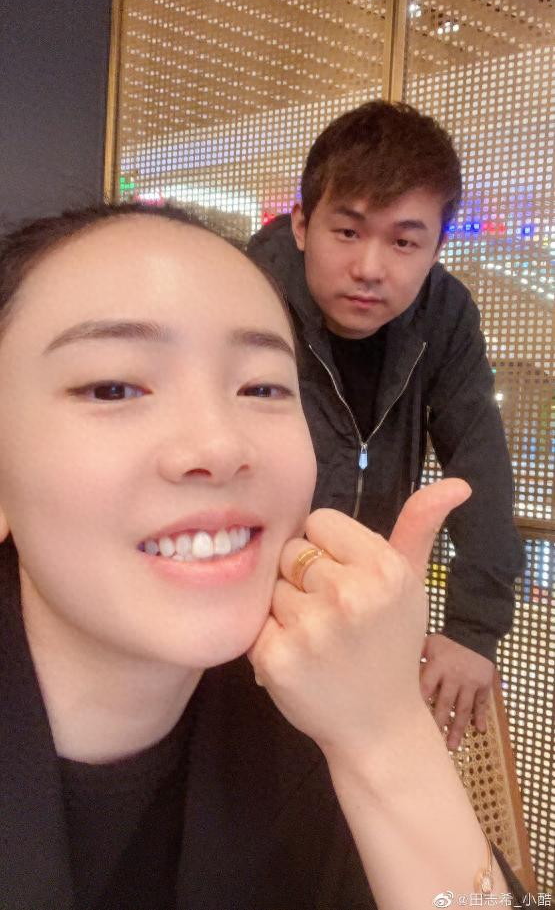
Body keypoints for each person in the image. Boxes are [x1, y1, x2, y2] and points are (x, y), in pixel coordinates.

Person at [0, 202, 527, 910]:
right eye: (113, 387)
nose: (220, 446)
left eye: (261, 387)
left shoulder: (314, 723)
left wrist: (386, 739)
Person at [247, 101, 525, 751]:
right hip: (241, 616)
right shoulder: (243, 293)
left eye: (403, 242)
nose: (371, 268)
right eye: (347, 231)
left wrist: (472, 628)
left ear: (435, 247)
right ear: (301, 224)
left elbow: (477, 458)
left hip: (360, 622)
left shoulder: (442, 313)